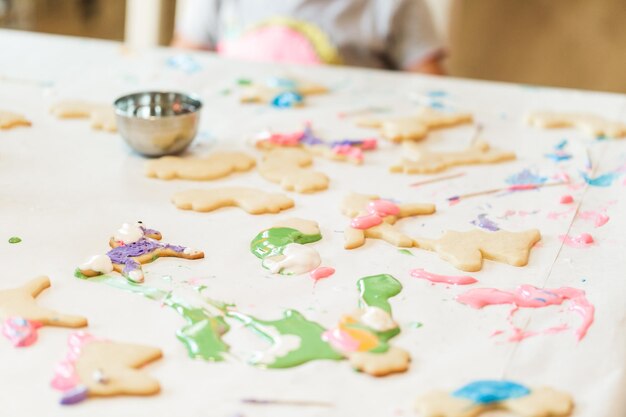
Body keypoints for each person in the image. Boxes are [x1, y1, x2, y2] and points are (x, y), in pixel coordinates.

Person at [172, 0, 445, 74]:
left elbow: (432, 86)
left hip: (350, 149)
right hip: (235, 138)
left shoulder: (393, 4)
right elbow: (181, 66)